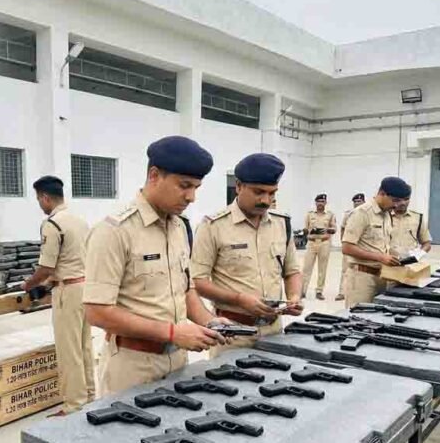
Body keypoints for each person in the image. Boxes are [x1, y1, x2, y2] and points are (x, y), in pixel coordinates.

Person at [83, 135, 232, 396]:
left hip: (178, 360)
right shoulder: (114, 231)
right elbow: (97, 312)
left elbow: (185, 290)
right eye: (184, 186)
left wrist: (209, 322)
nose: (192, 197)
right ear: (154, 175)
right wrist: (172, 332)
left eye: (196, 187)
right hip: (133, 366)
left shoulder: (179, 227)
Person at [192, 153, 303, 356]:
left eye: (272, 193)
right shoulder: (213, 226)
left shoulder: (281, 224)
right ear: (239, 186)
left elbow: (292, 271)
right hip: (233, 333)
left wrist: (294, 297)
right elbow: (197, 282)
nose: (266, 200)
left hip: (274, 331)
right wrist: (239, 299)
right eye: (258, 192)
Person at [22, 175, 95, 416]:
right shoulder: (80, 221)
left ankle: (73, 405)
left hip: (68, 291)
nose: (39, 205)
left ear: (45, 197)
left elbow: (46, 267)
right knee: (84, 346)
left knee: (68, 350)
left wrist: (29, 284)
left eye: (38, 200)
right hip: (85, 287)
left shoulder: (52, 224)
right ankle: (89, 397)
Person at [342, 177, 411, 307]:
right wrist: (380, 257)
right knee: (359, 315)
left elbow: (383, 245)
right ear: (382, 193)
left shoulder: (386, 214)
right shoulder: (362, 213)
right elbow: (347, 247)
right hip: (362, 278)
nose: (396, 205)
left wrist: (401, 257)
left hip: (382, 275)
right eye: (394, 200)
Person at [300, 194, 336, 300]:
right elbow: (305, 228)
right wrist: (309, 231)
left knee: (322, 268)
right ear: (315, 203)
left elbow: (334, 229)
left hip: (324, 243)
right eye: (318, 201)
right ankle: (302, 291)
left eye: (322, 201)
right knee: (306, 268)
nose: (320, 203)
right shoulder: (309, 214)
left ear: (325, 203)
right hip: (311, 243)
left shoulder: (330, 215)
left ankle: (319, 291)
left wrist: (327, 230)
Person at [337, 193, 365, 301]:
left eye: (359, 201)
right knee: (345, 269)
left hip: (362, 247)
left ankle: (358, 291)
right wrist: (343, 242)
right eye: (355, 202)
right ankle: (342, 292)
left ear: (364, 202)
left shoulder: (367, 214)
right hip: (350, 246)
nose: (357, 203)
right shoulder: (348, 214)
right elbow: (343, 228)